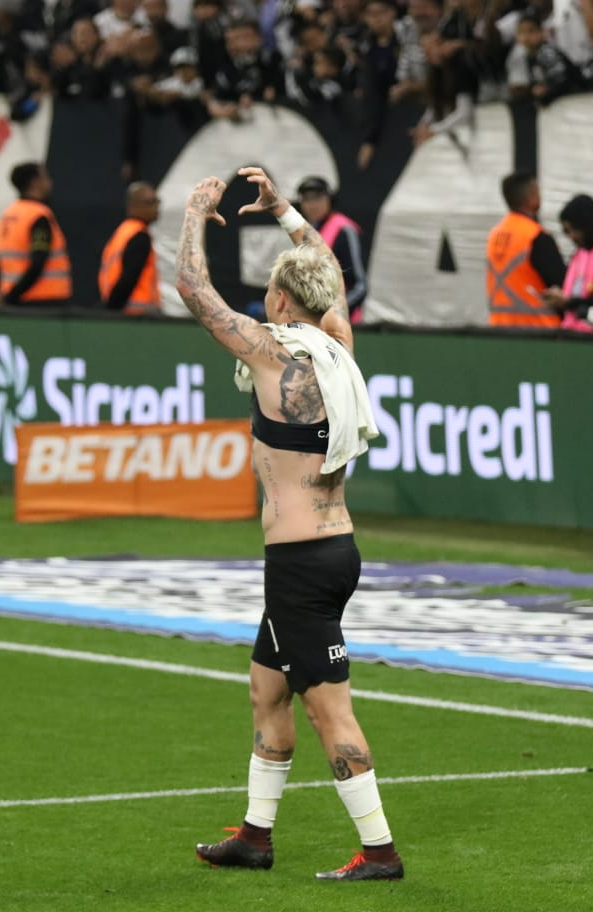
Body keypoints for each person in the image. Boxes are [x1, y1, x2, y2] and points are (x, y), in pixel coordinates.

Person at [176, 165, 402, 882]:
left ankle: (379, 851)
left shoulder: (275, 355)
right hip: (328, 550)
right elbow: (329, 276)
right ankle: (255, 836)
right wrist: (283, 212)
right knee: (265, 689)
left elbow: (192, 290)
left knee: (329, 711)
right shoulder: (337, 344)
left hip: (302, 563)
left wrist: (194, 211)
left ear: (278, 299)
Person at [485, 172, 566, 328]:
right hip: (538, 329)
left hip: (499, 327)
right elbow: (562, 283)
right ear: (532, 197)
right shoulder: (536, 236)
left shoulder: (494, 235)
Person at [0, 162, 73, 307]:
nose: (50, 182)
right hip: (43, 302)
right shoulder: (38, 216)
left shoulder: (8, 215)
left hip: (15, 302)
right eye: (46, 177)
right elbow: (38, 263)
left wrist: (3, 294)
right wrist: (11, 296)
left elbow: (0, 264)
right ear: (35, 182)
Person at [540, 194, 593, 333]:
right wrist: (560, 299)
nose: (572, 237)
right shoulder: (580, 252)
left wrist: (570, 303)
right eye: (567, 231)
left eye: (574, 229)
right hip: (572, 333)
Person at [295, 176, 369, 321]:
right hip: (312, 322)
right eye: (307, 199)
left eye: (318, 198)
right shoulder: (306, 231)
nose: (312, 205)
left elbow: (360, 285)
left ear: (329, 199)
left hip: (341, 323)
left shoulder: (344, 230)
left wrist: (335, 312)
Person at [98, 182, 163, 314]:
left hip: (123, 312)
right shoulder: (139, 236)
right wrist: (112, 309)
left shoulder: (122, 232)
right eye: (151, 202)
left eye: (157, 202)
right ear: (133, 206)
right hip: (136, 315)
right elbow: (128, 279)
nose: (157, 207)